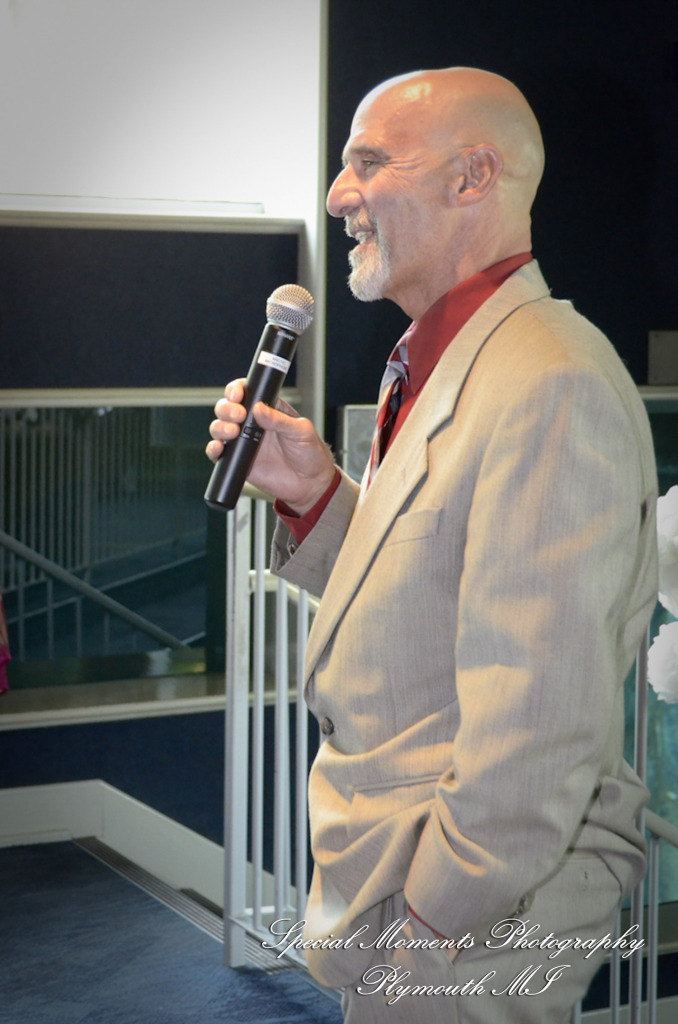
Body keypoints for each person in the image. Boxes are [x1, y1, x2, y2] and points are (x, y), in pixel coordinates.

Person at [207, 67, 658, 1023]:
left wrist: (435, 914)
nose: (338, 196)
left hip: (478, 908)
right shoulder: (450, 355)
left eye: (368, 162)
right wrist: (321, 495)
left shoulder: (549, 380)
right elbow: (422, 595)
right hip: (414, 883)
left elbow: (540, 711)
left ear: (471, 178)